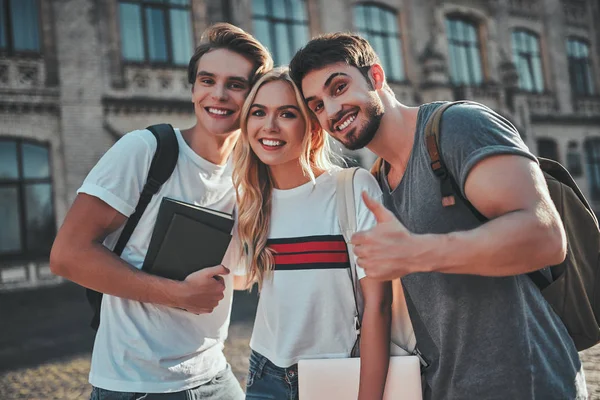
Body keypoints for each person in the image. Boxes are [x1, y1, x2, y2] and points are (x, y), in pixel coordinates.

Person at [289, 33, 587, 399]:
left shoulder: (458, 127)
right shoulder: (377, 180)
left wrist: (419, 252)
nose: (331, 111)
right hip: (446, 388)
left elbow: (545, 239)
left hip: (527, 382)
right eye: (317, 105)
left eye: (339, 87)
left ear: (376, 77)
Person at [49, 23, 273, 399]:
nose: (218, 94)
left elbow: (236, 275)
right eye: (207, 80)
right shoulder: (145, 150)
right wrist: (178, 295)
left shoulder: (246, 175)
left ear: (253, 97)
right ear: (193, 89)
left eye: (235, 84)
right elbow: (67, 256)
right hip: (136, 384)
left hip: (215, 375)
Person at [228, 67, 391, 400]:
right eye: (258, 112)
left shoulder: (353, 188)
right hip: (265, 373)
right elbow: (236, 279)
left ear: (313, 129)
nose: (269, 126)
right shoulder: (250, 201)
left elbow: (378, 304)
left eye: (287, 113)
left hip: (340, 371)